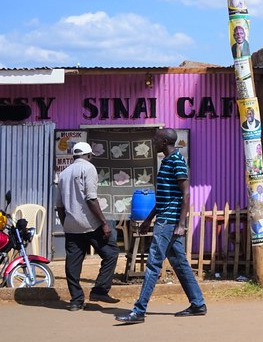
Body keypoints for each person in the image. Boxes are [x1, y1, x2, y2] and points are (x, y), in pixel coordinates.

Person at [116, 129, 206, 324]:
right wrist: (149, 219)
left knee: (153, 264)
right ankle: (198, 304)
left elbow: (186, 194)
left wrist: (181, 224)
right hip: (164, 219)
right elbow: (166, 197)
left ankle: (139, 311)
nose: (152, 142)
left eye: (155, 139)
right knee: (180, 264)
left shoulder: (177, 161)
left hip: (169, 222)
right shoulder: (165, 162)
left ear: (164, 141)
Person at [55, 142, 120, 311]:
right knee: (111, 253)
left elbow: (60, 206)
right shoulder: (89, 168)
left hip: (71, 225)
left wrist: (66, 224)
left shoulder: (63, 174)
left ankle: (76, 300)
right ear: (89, 155)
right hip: (90, 224)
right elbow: (91, 199)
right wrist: (104, 223)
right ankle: (99, 290)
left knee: (73, 264)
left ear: (74, 156)